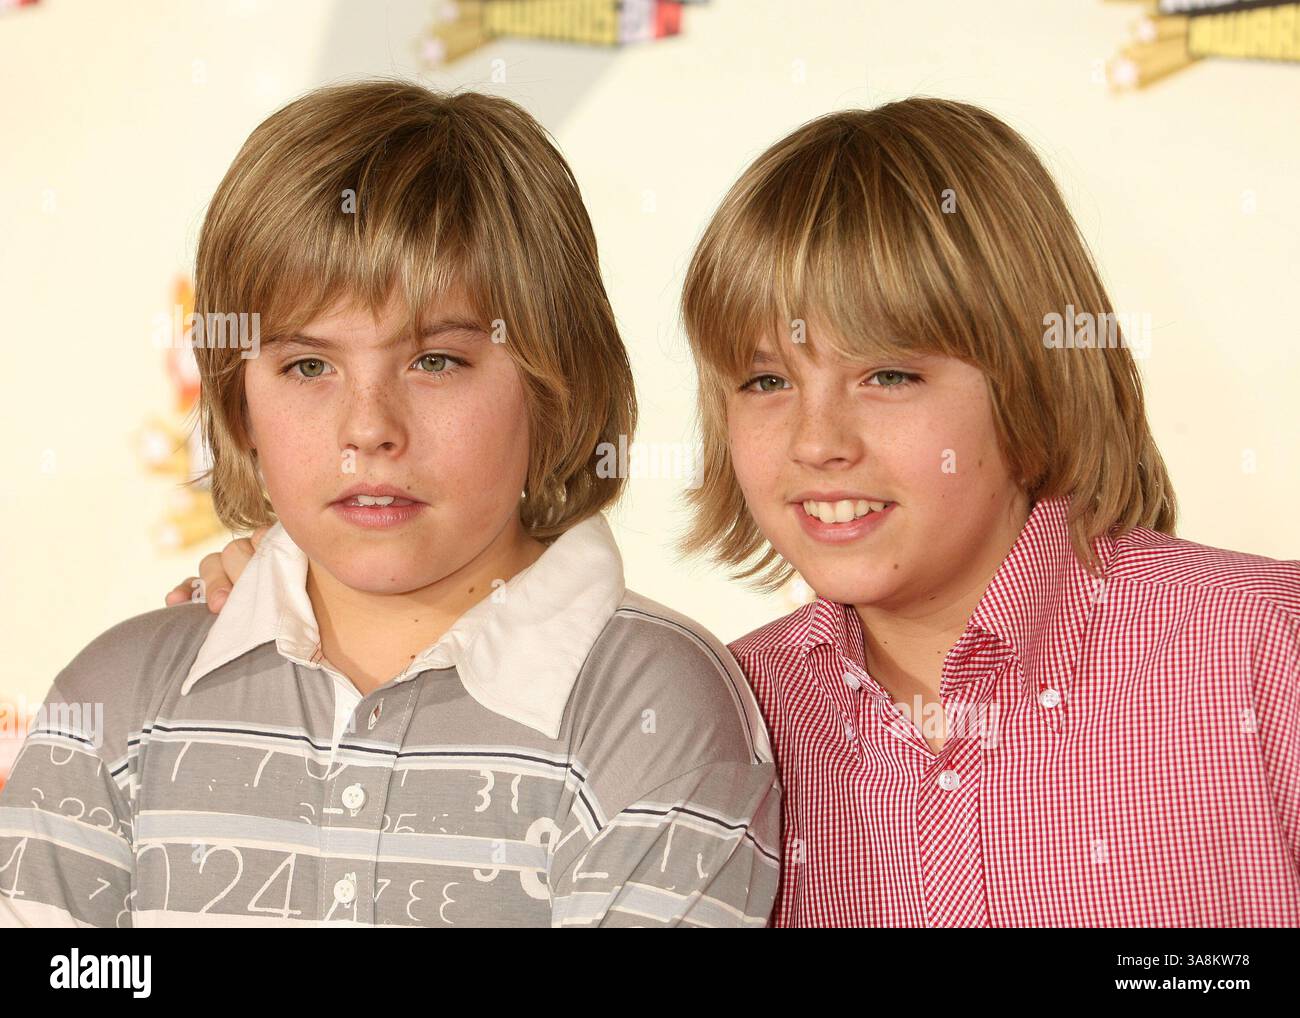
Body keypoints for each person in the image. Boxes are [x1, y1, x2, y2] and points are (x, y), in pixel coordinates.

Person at [0, 80, 779, 928]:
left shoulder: (649, 707)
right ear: (237, 403)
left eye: (435, 362)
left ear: (552, 385)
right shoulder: (119, 699)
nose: (368, 430)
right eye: (308, 367)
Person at [676, 98, 1300, 926]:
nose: (816, 442)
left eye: (888, 375)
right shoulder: (710, 720)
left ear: (1033, 379)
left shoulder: (1265, 652)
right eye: (766, 382)